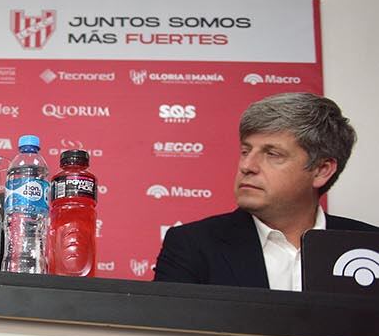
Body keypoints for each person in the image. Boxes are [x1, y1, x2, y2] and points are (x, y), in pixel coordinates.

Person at [153, 92, 376, 290]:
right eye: (245, 151)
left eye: (272, 154)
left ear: (321, 170)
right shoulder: (193, 245)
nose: (247, 166)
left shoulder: (371, 245)